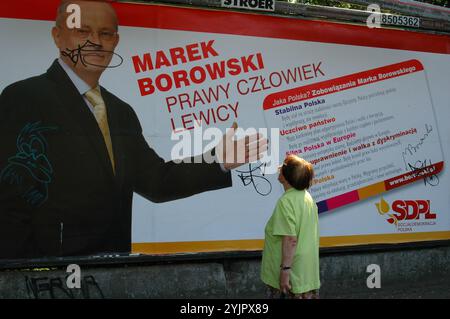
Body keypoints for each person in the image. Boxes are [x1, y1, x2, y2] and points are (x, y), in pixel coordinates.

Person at [0, 0, 267, 260]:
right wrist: (23, 275)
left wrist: (218, 160)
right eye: (82, 31)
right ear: (57, 36)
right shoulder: (24, 97)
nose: (95, 41)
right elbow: (10, 197)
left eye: (105, 33)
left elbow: (156, 182)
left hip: (116, 269)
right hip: (50, 276)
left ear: (115, 41)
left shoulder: (121, 112)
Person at [261, 155, 320, 299]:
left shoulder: (286, 202)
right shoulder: (308, 198)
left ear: (286, 177)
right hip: (306, 273)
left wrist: (285, 272)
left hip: (290, 275)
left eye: (282, 167)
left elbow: (290, 239)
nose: (279, 169)